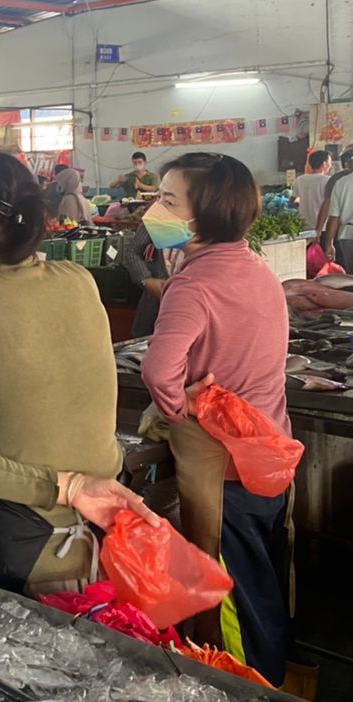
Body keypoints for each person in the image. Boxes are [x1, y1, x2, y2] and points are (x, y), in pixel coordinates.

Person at [0, 151, 156, 596]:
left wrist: (68, 487)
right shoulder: (79, 279)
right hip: (110, 535)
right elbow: (7, 299)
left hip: (30, 551)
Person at [140, 153, 292, 686]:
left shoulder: (195, 285)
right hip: (268, 459)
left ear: (203, 217)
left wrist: (177, 411)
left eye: (167, 200)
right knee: (263, 592)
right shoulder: (257, 270)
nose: (153, 208)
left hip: (224, 474)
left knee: (233, 611)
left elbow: (159, 373)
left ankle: (246, 690)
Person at [124, 225, 183, 338]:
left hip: (187, 307)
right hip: (152, 305)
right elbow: (133, 252)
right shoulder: (156, 219)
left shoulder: (209, 219)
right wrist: (146, 280)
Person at [316, 148, 353, 253]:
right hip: (345, 233)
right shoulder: (338, 181)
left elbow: (332, 214)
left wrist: (328, 242)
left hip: (346, 235)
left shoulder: (338, 181)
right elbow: (329, 208)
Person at [294, 150, 331, 230]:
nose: (330, 165)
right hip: (323, 227)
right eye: (329, 162)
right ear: (324, 164)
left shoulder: (299, 180)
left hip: (304, 225)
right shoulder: (328, 180)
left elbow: (293, 200)